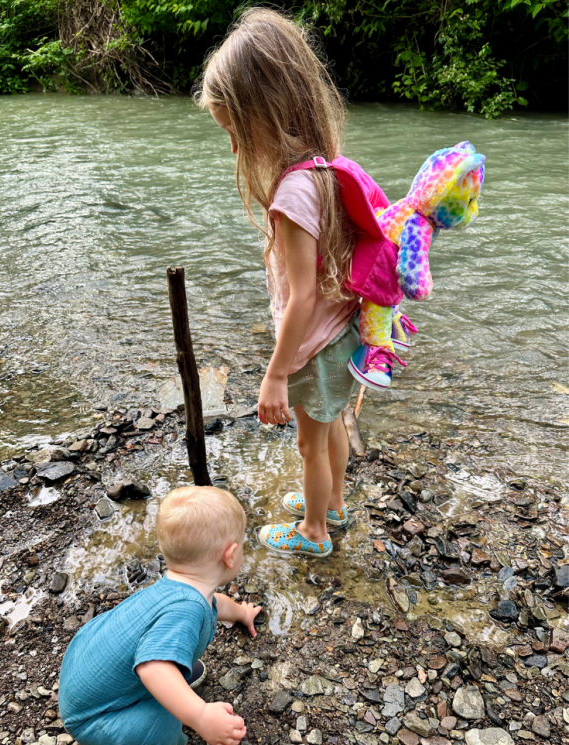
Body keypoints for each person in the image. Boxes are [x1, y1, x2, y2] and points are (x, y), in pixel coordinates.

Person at [197, 8, 391, 557]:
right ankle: (332, 504)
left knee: (310, 443)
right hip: (342, 333)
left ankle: (314, 531)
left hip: (314, 346)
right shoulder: (326, 169)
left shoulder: (291, 195)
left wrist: (276, 374)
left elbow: (302, 297)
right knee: (332, 426)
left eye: (236, 132)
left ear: (264, 116)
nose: (235, 148)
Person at [58, 486, 262, 745]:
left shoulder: (180, 587)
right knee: (163, 720)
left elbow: (216, 604)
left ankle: (174, 674)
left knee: (166, 655)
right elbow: (153, 668)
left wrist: (242, 613)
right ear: (230, 555)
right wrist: (201, 716)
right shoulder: (185, 610)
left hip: (86, 669)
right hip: (93, 716)